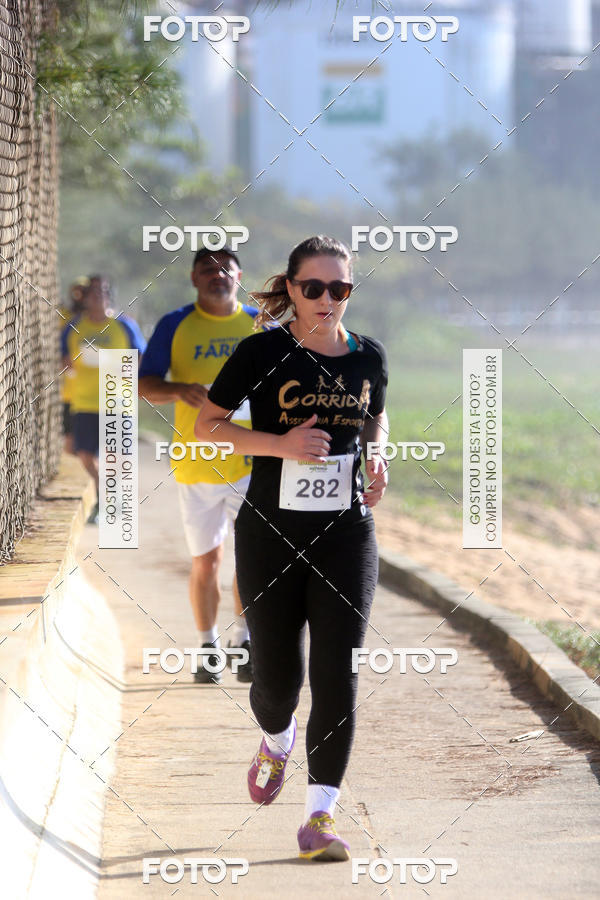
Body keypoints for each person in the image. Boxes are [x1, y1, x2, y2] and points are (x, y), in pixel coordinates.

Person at [194, 235, 389, 861]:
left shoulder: (368, 358)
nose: (327, 300)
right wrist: (279, 447)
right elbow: (209, 424)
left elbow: (374, 418)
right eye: (314, 289)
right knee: (279, 681)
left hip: (346, 535)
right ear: (293, 289)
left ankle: (319, 819)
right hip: (270, 535)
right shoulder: (263, 353)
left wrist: (377, 455)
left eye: (340, 289)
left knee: (339, 676)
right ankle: (276, 739)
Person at [138, 247, 257, 685]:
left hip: (252, 462)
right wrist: (179, 389)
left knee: (250, 559)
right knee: (207, 560)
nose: (218, 275)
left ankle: (243, 640)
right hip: (197, 463)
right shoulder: (175, 323)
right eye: (208, 269)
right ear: (194, 278)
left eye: (226, 269)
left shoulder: (260, 324)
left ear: (240, 276)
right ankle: (208, 646)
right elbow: (143, 384)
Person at [61, 275, 146, 523]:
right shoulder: (74, 326)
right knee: (85, 454)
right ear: (86, 298)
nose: (99, 295)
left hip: (118, 401)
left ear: (110, 295)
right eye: (94, 292)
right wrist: (77, 364)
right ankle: (104, 493)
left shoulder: (125, 325)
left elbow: (141, 359)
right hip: (85, 401)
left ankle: (111, 502)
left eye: (104, 291)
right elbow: (65, 360)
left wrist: (111, 363)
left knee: (115, 457)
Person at [60, 277, 89, 455]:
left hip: (94, 393)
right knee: (70, 435)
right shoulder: (67, 319)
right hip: (70, 391)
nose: (79, 296)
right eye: (76, 291)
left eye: (83, 291)